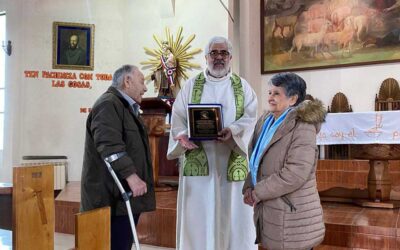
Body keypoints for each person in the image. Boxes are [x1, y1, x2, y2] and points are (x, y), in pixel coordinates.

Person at [167, 36, 258, 250]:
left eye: (223, 53)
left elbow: (251, 118)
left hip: (231, 156)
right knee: (200, 211)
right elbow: (178, 116)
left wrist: (233, 131)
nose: (219, 58)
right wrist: (183, 135)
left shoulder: (242, 87)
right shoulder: (191, 85)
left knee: (233, 211)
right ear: (206, 57)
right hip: (201, 159)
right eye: (214, 53)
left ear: (231, 58)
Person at [243, 72, 326, 250]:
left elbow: (295, 173)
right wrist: (249, 186)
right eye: (270, 93)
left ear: (293, 98)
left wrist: (258, 192)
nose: (270, 98)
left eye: (277, 93)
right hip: (271, 208)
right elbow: (256, 158)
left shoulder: (303, 126)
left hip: (292, 213)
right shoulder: (265, 120)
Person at [80, 65, 156, 250]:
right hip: (110, 199)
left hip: (121, 196)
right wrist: (131, 176)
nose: (145, 88)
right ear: (127, 81)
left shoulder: (124, 107)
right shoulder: (108, 104)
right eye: (141, 81)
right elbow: (109, 145)